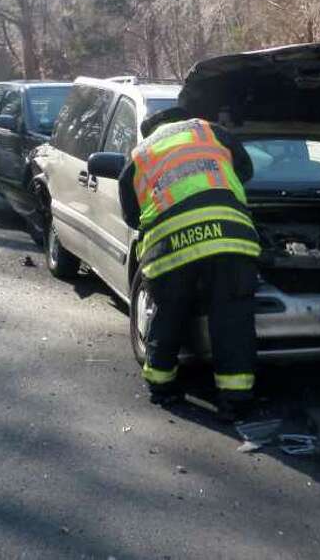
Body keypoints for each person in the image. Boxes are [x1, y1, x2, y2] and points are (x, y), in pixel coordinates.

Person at [117, 106, 261, 420]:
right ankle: (235, 401)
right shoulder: (209, 131)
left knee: (169, 313)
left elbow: (131, 214)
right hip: (229, 236)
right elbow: (246, 171)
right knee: (231, 318)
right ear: (182, 118)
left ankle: (161, 387)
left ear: (151, 129)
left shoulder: (140, 154)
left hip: (170, 246)